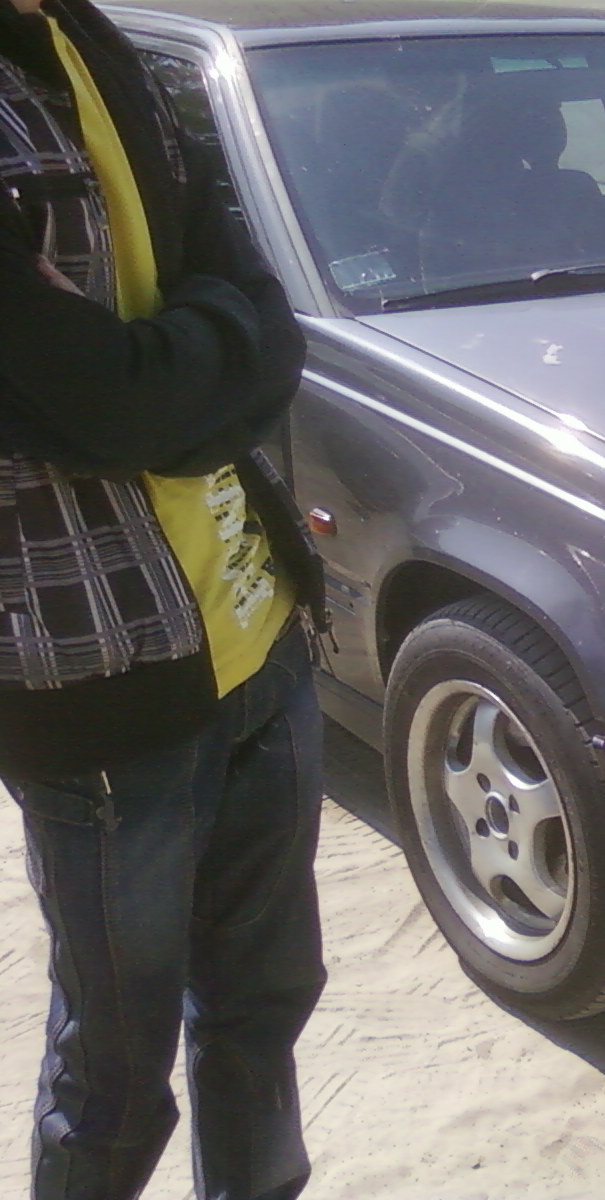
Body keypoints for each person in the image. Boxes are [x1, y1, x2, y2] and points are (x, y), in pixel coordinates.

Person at [0, 1, 324, 1197]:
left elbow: (265, 315)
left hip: (258, 631)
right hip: (96, 689)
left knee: (263, 1012)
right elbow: (106, 397)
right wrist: (190, 361)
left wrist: (159, 369)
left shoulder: (92, 37)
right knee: (116, 1081)